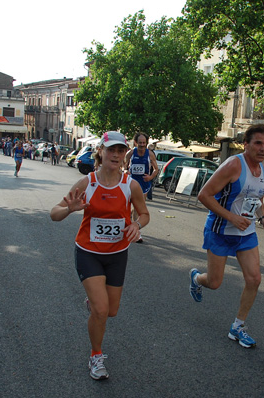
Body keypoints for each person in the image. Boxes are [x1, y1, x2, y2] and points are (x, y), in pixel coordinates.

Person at [50, 131, 149, 381]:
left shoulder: (130, 185)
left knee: (111, 311)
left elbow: (144, 214)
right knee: (102, 310)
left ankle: (94, 305)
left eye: (120, 151)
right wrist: (69, 209)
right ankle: (96, 356)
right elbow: (54, 213)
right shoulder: (88, 183)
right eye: (110, 150)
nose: (115, 155)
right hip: (88, 253)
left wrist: (138, 225)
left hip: (117, 255)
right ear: (100, 153)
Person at [189, 124, 264, 348]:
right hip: (220, 230)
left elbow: (256, 200)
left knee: (255, 279)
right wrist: (232, 218)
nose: (262, 148)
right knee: (214, 282)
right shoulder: (233, 165)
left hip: (245, 234)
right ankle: (197, 278)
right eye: (258, 143)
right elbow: (204, 195)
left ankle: (238, 326)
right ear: (245, 144)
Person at [125, 133, 158, 243]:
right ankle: (135, 229)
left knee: (139, 207)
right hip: (132, 183)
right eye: (140, 143)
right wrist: (125, 170)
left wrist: (150, 177)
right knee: (132, 206)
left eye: (144, 143)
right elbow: (123, 164)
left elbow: (156, 169)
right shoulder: (131, 153)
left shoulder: (150, 154)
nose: (142, 145)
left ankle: (137, 232)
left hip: (144, 184)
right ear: (135, 143)